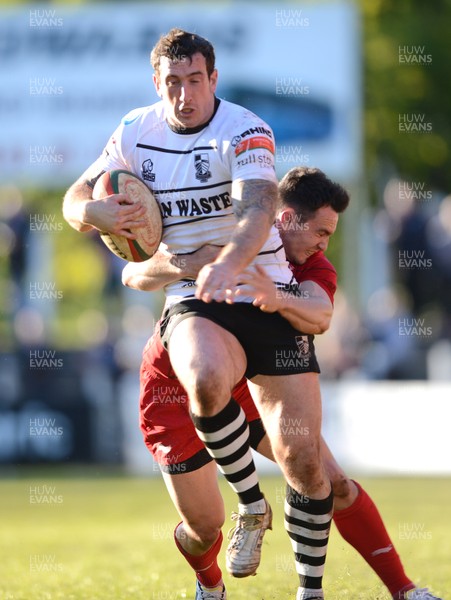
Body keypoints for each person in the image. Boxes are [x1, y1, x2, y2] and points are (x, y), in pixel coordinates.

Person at [63, 29, 330, 599]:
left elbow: (258, 210)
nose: (185, 95)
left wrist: (229, 263)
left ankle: (312, 592)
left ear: (213, 79)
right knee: (206, 377)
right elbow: (73, 200)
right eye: (172, 84)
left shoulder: (245, 128)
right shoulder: (135, 132)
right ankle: (252, 506)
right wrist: (93, 211)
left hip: (259, 285)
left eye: (194, 81)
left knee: (305, 460)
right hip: (193, 297)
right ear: (156, 85)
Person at [123, 167, 441, 600]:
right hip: (173, 390)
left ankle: (403, 590)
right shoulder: (227, 227)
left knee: (327, 478)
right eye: (321, 231)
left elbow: (321, 314)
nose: (324, 244)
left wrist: (278, 298)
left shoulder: (311, 265)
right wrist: (195, 261)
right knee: (203, 527)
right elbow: (133, 272)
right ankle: (209, 582)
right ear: (286, 218)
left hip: (248, 384)